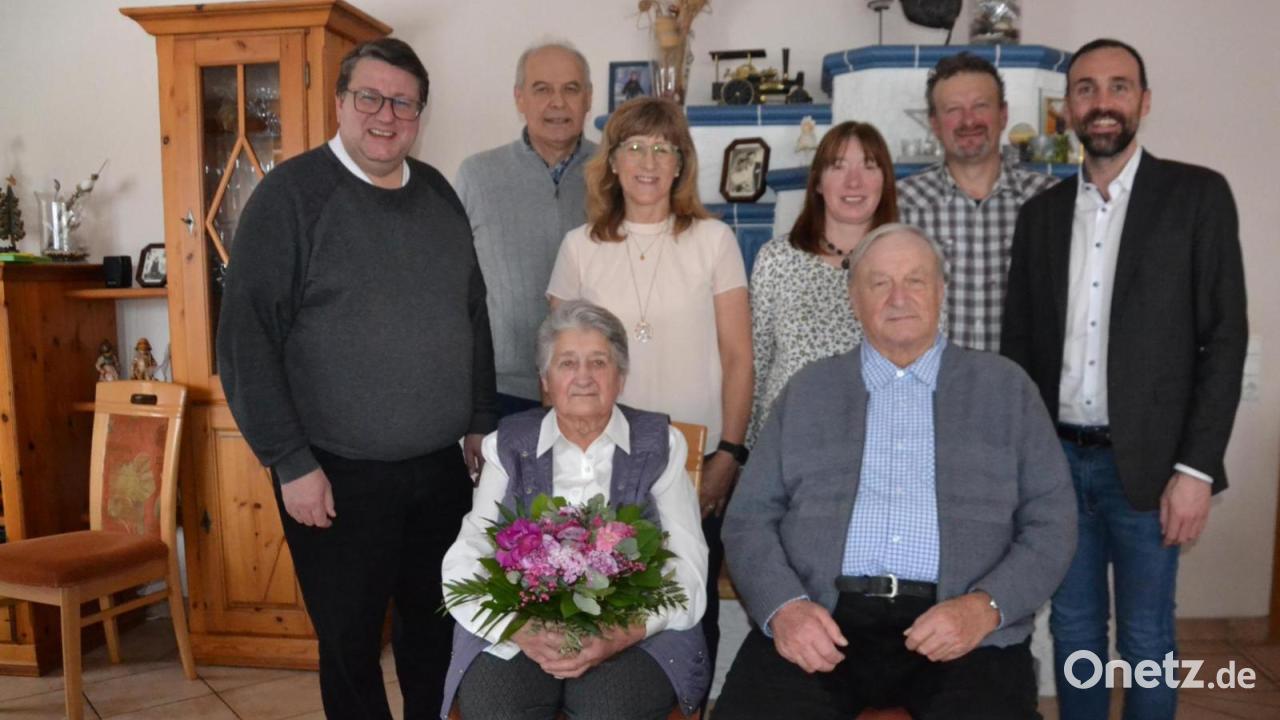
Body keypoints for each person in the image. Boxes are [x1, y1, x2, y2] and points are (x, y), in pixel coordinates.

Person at [217, 38, 498, 719]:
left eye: (403, 102)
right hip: (335, 477)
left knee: (434, 637)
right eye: (369, 97)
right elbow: (244, 337)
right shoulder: (291, 197)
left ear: (420, 114)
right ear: (341, 102)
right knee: (350, 648)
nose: (385, 114)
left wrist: (478, 418)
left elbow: (472, 311)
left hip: (437, 472)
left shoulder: (436, 195)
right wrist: (290, 462)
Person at [715, 223, 1076, 720]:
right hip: (824, 617)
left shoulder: (1006, 389)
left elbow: (1052, 523)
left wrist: (985, 607)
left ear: (941, 291)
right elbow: (749, 519)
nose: (899, 297)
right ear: (853, 298)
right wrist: (785, 608)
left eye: (916, 281)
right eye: (880, 283)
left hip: (962, 627)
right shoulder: (808, 392)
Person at [1001, 38, 1248, 720]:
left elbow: (1224, 339)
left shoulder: (1197, 196)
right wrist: (1026, 464)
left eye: (1117, 87)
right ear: (1067, 109)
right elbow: (1018, 349)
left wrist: (1196, 470)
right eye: (1085, 88)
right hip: (1058, 466)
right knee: (1074, 632)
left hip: (1151, 471)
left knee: (1145, 638)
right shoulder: (1041, 216)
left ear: (1143, 101)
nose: (1101, 102)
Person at [546, 96, 751, 700]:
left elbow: (739, 357)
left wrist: (729, 454)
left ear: (682, 163)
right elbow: (561, 368)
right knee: (603, 599)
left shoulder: (713, 241)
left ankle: (688, 705)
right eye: (634, 146)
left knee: (692, 600)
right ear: (610, 161)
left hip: (695, 460)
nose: (648, 160)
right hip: (604, 461)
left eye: (664, 148)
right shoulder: (579, 246)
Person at [441, 300, 710, 719]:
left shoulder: (661, 443)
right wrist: (519, 628)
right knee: (497, 708)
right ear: (546, 380)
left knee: (610, 709)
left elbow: (688, 563)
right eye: (567, 363)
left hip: (632, 632)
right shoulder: (507, 444)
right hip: (524, 626)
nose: (583, 377)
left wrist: (620, 633)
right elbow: (471, 550)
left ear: (620, 377)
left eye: (598, 362)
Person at [455, 42, 595, 417]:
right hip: (502, 389)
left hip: (594, 385)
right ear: (519, 98)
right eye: (542, 89)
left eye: (571, 89)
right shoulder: (478, 175)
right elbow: (451, 284)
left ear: (588, 98)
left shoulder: (615, 173)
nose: (557, 102)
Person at [747, 120, 897, 445]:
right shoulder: (777, 259)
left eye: (868, 167)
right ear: (817, 182)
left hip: (879, 447)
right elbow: (754, 365)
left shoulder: (909, 264)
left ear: (885, 181)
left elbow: (930, 361)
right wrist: (741, 456)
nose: (853, 181)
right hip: (785, 444)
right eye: (838, 167)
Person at [897, 52, 1057, 352]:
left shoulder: (1048, 200)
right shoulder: (901, 204)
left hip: (1022, 389)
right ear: (934, 123)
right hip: (931, 390)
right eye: (953, 110)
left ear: (1003, 114)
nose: (968, 120)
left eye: (980, 106)